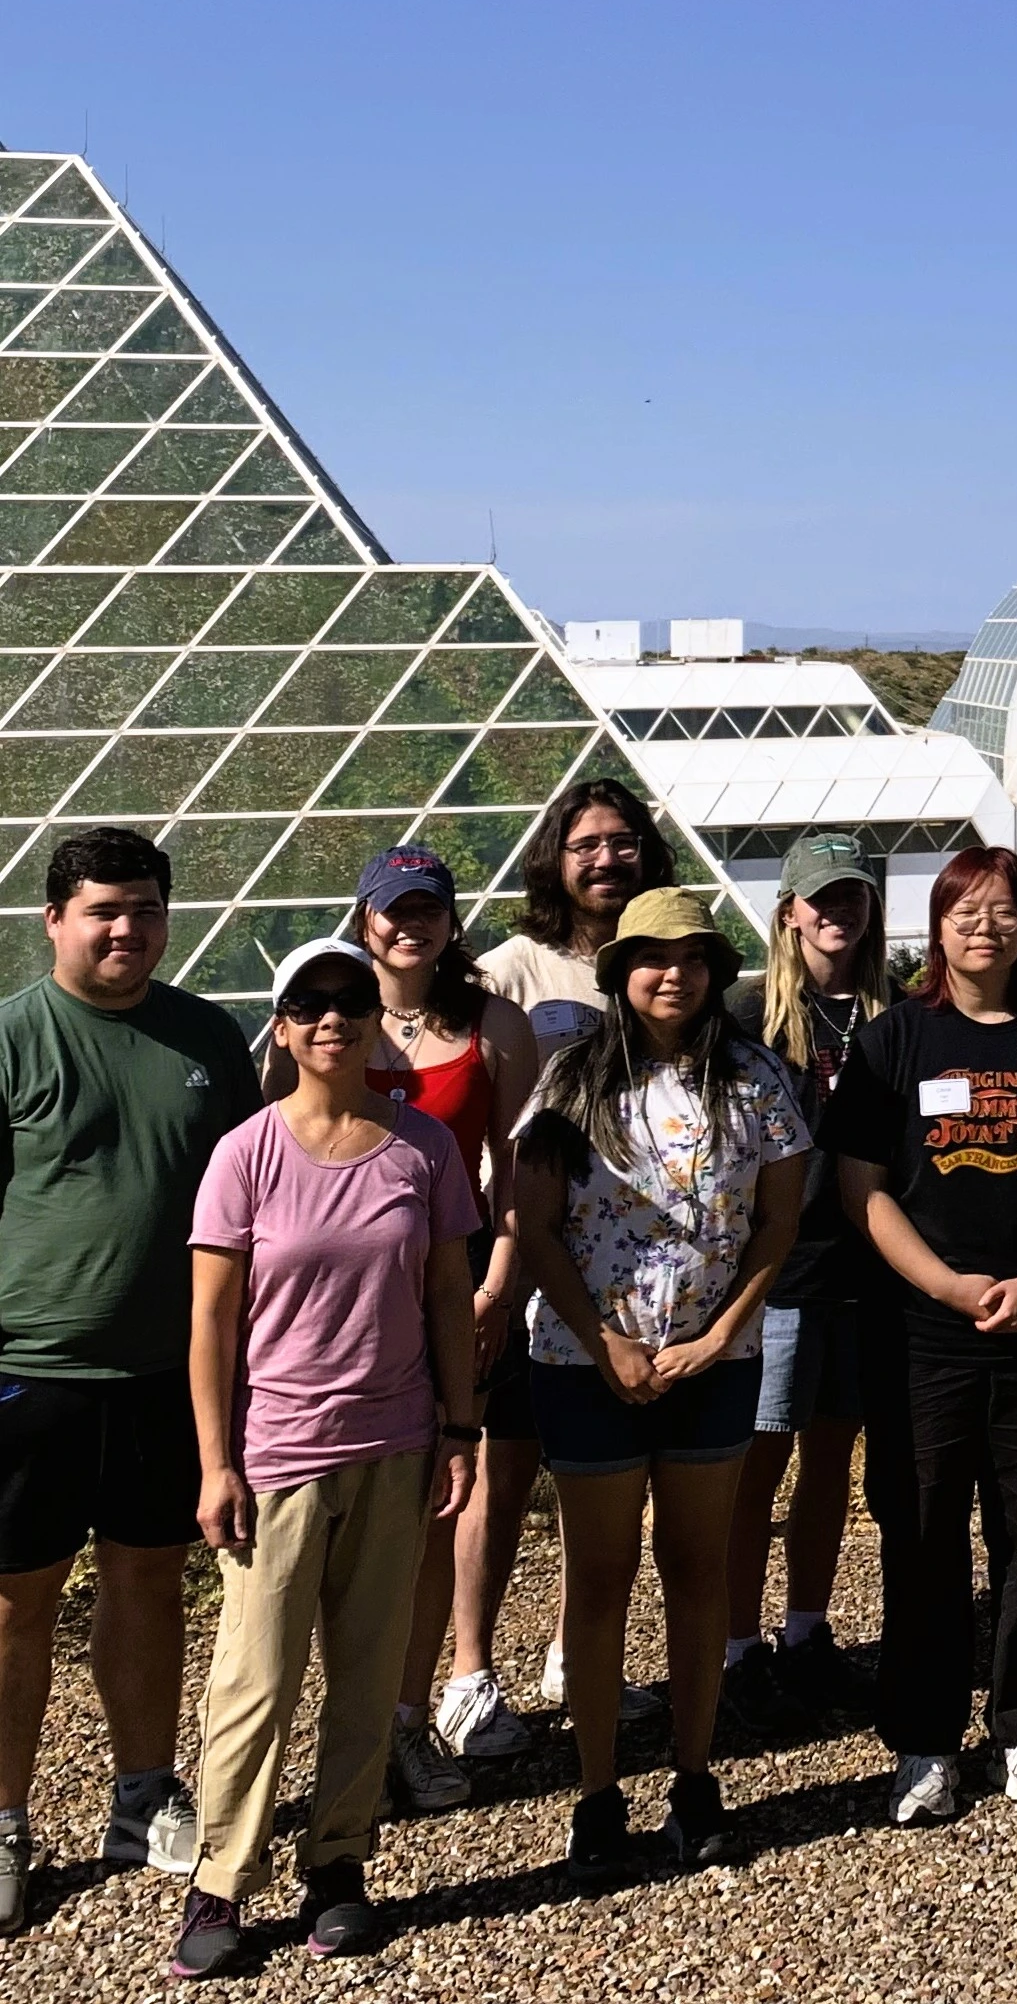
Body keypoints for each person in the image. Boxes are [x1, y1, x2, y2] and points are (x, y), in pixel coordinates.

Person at [167, 941, 481, 1979]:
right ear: (285, 1024)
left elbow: (445, 1295)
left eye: (350, 1002)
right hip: (280, 1454)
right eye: (312, 1004)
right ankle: (222, 1876)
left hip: (393, 1444)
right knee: (255, 1676)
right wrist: (216, 1464)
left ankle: (339, 1864)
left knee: (365, 1668)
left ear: (373, 1022)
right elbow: (211, 1323)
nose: (333, 1019)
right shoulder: (247, 1154)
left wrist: (460, 1426)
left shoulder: (423, 1150)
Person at [514, 887, 806, 1877]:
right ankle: (597, 1792)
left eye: (689, 957)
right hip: (586, 1363)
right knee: (596, 1579)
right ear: (619, 970)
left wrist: (720, 1335)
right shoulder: (570, 1082)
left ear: (715, 971)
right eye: (649, 957)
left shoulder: (756, 1079)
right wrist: (608, 1344)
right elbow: (537, 1226)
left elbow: (776, 1226)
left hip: (712, 1364)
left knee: (696, 1568)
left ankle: (692, 1776)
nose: (670, 974)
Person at [0, 827, 260, 1936]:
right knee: (16, 1606)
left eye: (146, 908)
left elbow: (254, 1202)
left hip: (168, 1372)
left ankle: (142, 1793)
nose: (128, 929)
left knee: (149, 1582)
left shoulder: (206, 1037)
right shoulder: (13, 1037)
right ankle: (5, 1821)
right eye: (104, 909)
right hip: (29, 1370)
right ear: (53, 919)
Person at [827, 845, 1017, 1821]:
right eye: (965, 910)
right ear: (937, 925)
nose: (984, 926)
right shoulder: (895, 1041)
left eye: (1002, 910)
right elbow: (861, 1190)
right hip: (922, 1340)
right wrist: (950, 1288)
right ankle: (924, 1742)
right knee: (920, 1539)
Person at [453, 772, 679, 1748]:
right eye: (586, 843)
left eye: (622, 842)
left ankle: (571, 1655)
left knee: (604, 1475)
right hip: (525, 1246)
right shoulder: (513, 969)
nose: (605, 859)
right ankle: (468, 1673)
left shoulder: (662, 964)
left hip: (632, 1253)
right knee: (502, 1471)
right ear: (556, 855)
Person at [324, 847, 540, 1818]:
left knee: (430, 1516)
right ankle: (349, 1726)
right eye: (392, 909)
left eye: (427, 908)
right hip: (341, 1309)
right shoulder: (329, 1021)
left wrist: (497, 1292)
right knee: (336, 1525)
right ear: (365, 918)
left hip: (452, 1299)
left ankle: (406, 1716)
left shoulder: (494, 1027)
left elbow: (519, 1174)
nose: (409, 925)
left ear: (453, 921)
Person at [722, 834, 889, 1730]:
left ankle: (809, 1629)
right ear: (788, 910)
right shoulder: (748, 1016)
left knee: (832, 1457)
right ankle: (737, 1647)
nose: (837, 913)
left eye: (852, 896)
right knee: (761, 1459)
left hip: (863, 1270)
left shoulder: (891, 1008)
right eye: (820, 898)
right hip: (778, 1271)